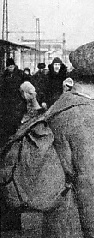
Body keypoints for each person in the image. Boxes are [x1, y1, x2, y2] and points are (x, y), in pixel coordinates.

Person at [41, 40, 94, 238]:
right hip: (77, 221)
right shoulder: (91, 117)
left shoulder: (66, 101)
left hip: (58, 215)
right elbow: (93, 186)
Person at [0, 57, 25, 232]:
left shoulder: (17, 79)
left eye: (10, 65)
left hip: (9, 128)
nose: (9, 68)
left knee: (8, 176)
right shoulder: (6, 79)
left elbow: (20, 104)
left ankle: (11, 222)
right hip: (7, 127)